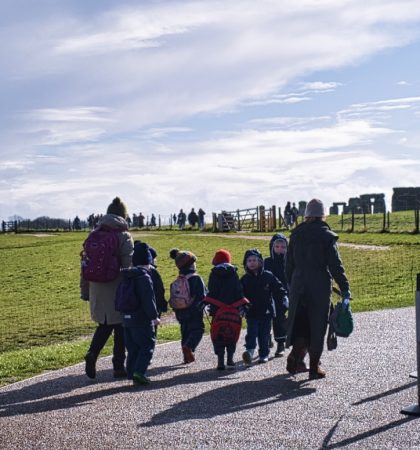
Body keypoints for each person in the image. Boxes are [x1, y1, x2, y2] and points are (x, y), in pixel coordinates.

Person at [286, 198, 351, 380]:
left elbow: (288, 265)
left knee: (301, 324)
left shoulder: (296, 234)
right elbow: (335, 265)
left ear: (306, 215)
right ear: (322, 215)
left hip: (298, 284)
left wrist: (291, 284)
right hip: (319, 285)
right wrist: (345, 288)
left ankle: (295, 355)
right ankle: (314, 368)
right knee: (317, 326)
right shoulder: (326, 236)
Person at [84, 197, 134, 379]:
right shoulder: (123, 235)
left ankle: (92, 354)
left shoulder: (94, 233)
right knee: (121, 326)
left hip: (96, 285)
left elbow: (85, 262)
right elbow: (128, 263)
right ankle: (118, 366)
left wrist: (86, 291)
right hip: (117, 284)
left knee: (104, 324)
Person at [121, 242, 160, 386]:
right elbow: (148, 299)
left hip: (126, 317)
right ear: (148, 261)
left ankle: (131, 372)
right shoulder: (144, 277)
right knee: (147, 344)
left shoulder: (126, 275)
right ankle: (140, 372)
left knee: (132, 347)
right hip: (141, 318)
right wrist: (154, 317)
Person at [241, 249, 288, 365]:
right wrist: (241, 307)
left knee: (264, 335)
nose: (252, 263)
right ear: (245, 263)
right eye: (249, 261)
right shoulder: (244, 279)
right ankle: (250, 352)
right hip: (251, 312)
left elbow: (278, 288)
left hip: (266, 312)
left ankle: (264, 354)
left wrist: (284, 296)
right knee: (251, 333)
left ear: (260, 262)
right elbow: (239, 294)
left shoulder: (268, 276)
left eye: (254, 260)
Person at [205, 249, 247, 370]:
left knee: (218, 334)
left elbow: (211, 292)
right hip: (233, 310)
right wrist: (242, 305)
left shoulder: (214, 274)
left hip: (217, 310)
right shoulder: (234, 273)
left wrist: (208, 304)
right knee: (231, 334)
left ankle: (220, 361)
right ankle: (230, 360)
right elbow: (239, 291)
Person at [169, 248, 207, 364]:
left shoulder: (178, 280)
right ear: (191, 265)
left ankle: (186, 356)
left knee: (185, 331)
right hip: (194, 310)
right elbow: (202, 295)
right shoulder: (196, 278)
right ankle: (189, 347)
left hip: (180, 311)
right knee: (198, 330)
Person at [264, 233, 289, 357]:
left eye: (283, 247)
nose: (280, 249)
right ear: (272, 247)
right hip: (273, 294)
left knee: (292, 317)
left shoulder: (290, 262)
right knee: (276, 317)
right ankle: (279, 342)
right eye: (277, 247)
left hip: (289, 292)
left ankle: (287, 340)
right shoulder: (268, 262)